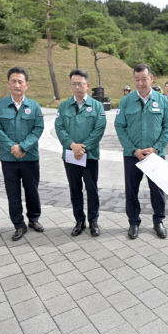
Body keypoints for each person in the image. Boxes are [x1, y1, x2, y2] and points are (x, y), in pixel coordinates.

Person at [114, 63, 168, 240]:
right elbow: (120, 126)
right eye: (137, 80)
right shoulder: (126, 101)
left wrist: (156, 148)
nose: (140, 83)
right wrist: (133, 150)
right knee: (131, 190)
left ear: (151, 78)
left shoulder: (162, 100)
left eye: (144, 79)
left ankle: (158, 221)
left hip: (155, 155)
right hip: (132, 156)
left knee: (157, 190)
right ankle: (133, 222)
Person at [0, 67, 45, 241]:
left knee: (32, 190)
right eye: (13, 81)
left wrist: (23, 147)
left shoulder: (34, 106)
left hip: (30, 157)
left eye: (20, 81)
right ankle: (18, 225)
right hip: (9, 159)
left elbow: (38, 129)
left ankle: (34, 219)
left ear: (26, 85)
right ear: (8, 83)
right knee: (12, 193)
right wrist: (12, 147)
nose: (17, 84)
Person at [54, 69, 106, 237]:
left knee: (92, 190)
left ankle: (94, 221)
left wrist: (82, 148)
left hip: (89, 156)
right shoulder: (63, 106)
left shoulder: (97, 106)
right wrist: (72, 146)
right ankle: (79, 221)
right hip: (70, 156)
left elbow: (99, 130)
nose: (77, 87)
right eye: (74, 84)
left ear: (87, 85)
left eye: (80, 84)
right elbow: (59, 128)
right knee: (75, 189)